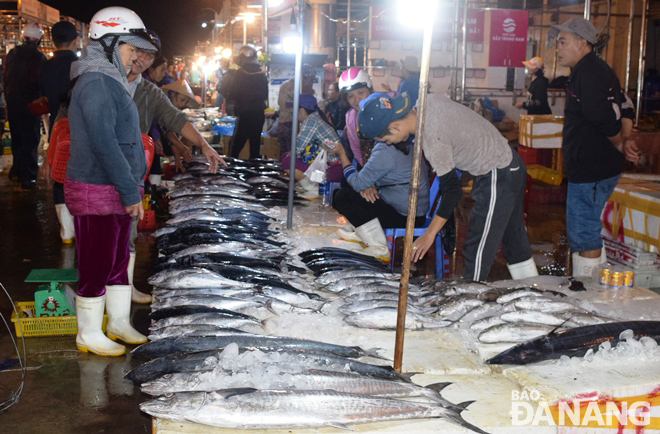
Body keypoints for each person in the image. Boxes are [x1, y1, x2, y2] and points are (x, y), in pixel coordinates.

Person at [357, 92, 539, 281]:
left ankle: (470, 299)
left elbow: (452, 190)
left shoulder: (432, 138)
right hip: (511, 164)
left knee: (477, 248)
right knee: (514, 241)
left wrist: (429, 234)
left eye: (385, 140)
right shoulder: (426, 101)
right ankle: (532, 293)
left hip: (497, 172)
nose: (389, 144)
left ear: (394, 127)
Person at [64, 6, 159, 356]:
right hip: (96, 188)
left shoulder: (110, 79)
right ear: (107, 42)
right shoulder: (97, 82)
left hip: (115, 188)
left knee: (118, 258)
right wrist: (126, 188)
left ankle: (118, 321)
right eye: (128, 47)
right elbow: (104, 142)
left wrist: (130, 186)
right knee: (96, 261)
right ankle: (88, 332)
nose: (134, 55)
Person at [126, 30, 224, 303]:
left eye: (150, 55)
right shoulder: (102, 82)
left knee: (128, 233)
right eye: (138, 51)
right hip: (100, 173)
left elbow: (175, 118)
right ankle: (103, 305)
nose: (142, 59)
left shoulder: (149, 91)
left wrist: (203, 145)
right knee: (101, 238)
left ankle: (123, 294)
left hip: (133, 172)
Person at [549, 17, 639, 277]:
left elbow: (601, 115)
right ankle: (597, 282)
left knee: (583, 229)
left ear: (582, 43)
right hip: (595, 166)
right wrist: (625, 138)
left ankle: (587, 291)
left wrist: (620, 142)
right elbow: (625, 105)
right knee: (585, 228)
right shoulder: (596, 70)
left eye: (563, 42)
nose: (558, 48)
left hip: (591, 168)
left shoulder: (589, 72)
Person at [324, 93, 430, 259]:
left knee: (343, 195)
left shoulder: (386, 149)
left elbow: (358, 183)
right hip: (411, 208)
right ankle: (363, 232)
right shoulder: (403, 140)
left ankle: (378, 246)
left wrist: (341, 153)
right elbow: (366, 178)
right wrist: (367, 184)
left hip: (406, 216)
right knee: (349, 182)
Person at [38, 20, 79, 243]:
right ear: (75, 40)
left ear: (53, 41)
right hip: (79, 125)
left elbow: (44, 96)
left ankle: (66, 231)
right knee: (78, 172)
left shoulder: (45, 66)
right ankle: (80, 225)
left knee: (59, 174)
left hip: (56, 126)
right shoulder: (79, 65)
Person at [4, 22, 46, 190]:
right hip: (31, 104)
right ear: (39, 39)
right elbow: (39, 82)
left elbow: (7, 78)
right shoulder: (39, 57)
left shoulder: (12, 54)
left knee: (17, 138)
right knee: (30, 140)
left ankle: (16, 171)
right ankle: (27, 178)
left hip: (13, 103)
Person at [280, 94, 342, 199]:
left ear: (302, 111)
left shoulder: (311, 121)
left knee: (287, 161)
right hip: (331, 167)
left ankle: (313, 188)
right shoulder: (314, 118)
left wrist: (291, 154)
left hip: (331, 170)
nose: (292, 113)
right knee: (287, 156)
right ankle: (310, 184)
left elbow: (298, 149)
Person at [221, 45, 268, 160]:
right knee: (255, 145)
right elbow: (265, 95)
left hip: (245, 113)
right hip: (258, 113)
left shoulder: (240, 74)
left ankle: (231, 171)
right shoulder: (262, 74)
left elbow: (232, 93)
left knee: (236, 146)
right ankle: (254, 171)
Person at [277, 64, 316, 155]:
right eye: (308, 80)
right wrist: (300, 103)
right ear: (301, 76)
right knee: (288, 154)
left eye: (311, 80)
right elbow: (283, 103)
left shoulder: (306, 88)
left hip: (301, 125)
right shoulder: (287, 86)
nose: (310, 83)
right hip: (287, 124)